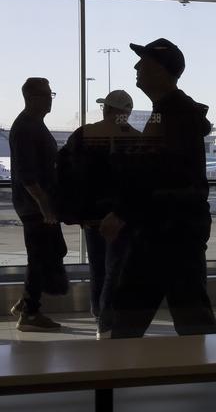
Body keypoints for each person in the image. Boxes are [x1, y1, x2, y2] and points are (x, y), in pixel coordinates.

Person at [100, 38, 216, 338]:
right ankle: (212, 375)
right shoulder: (168, 112)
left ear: (163, 70)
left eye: (145, 61)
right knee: (189, 314)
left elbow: (157, 171)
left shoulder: (172, 116)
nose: (137, 66)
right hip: (169, 229)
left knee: (134, 313)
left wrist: (120, 212)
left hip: (167, 230)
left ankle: (110, 375)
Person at [58, 90, 140, 338]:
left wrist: (70, 207)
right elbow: (140, 180)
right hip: (119, 216)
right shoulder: (135, 138)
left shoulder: (84, 134)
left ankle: (98, 313)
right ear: (127, 113)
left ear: (107, 110)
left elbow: (62, 167)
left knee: (98, 266)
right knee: (115, 268)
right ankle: (106, 322)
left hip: (91, 215)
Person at [9, 77, 68, 331]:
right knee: (40, 255)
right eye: (46, 94)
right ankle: (30, 311)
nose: (50, 99)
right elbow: (26, 173)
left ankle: (26, 304)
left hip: (36, 204)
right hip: (34, 206)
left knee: (49, 252)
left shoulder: (34, 125)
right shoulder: (25, 127)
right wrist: (43, 203)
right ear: (32, 97)